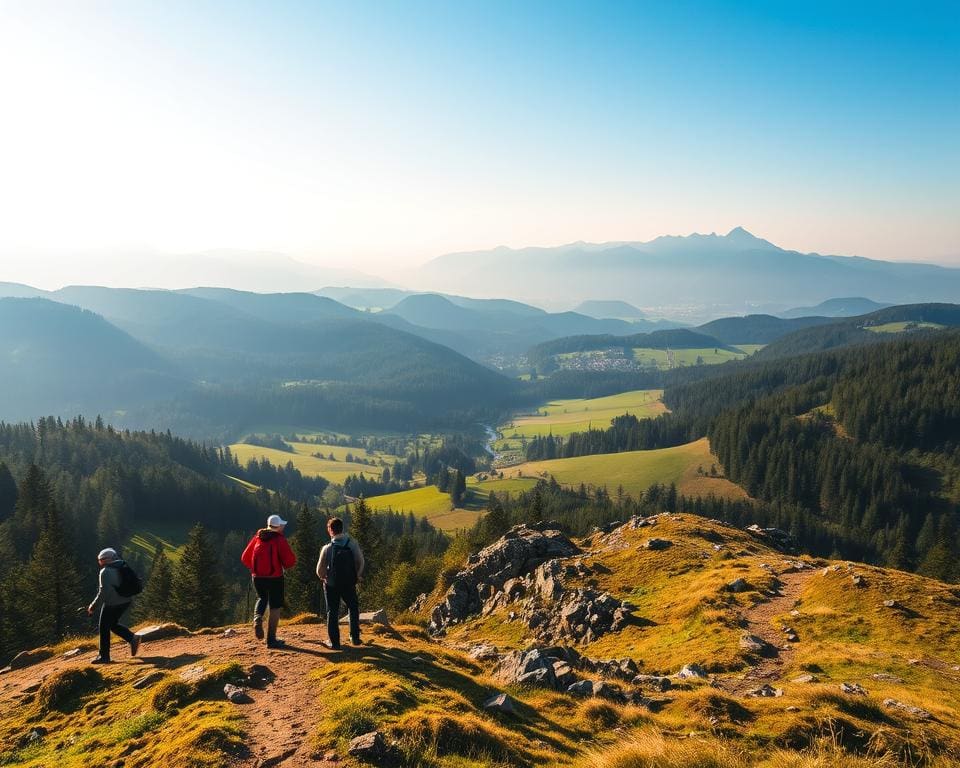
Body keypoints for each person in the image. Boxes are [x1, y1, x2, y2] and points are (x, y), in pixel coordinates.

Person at [240, 513, 297, 648]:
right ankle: (271, 640)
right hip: (275, 578)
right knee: (275, 606)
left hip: (257, 578)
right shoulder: (279, 539)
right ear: (278, 527)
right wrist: (285, 566)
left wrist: (255, 569)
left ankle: (257, 617)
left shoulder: (258, 538)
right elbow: (289, 561)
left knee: (261, 598)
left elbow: (244, 557)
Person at [316, 517, 364, 650]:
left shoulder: (327, 548)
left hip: (331, 584)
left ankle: (334, 642)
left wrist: (324, 577)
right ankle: (355, 637)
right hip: (349, 583)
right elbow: (361, 561)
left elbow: (319, 570)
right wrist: (357, 576)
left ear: (330, 530)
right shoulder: (352, 544)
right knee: (353, 607)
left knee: (332, 611)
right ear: (342, 529)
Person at [88, 548, 140, 664]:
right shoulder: (122, 565)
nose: (99, 563)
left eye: (100, 560)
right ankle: (132, 638)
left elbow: (103, 593)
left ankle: (104, 657)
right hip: (126, 601)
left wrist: (93, 606)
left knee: (104, 627)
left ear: (104, 560)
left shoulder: (105, 571)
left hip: (112, 603)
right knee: (112, 624)